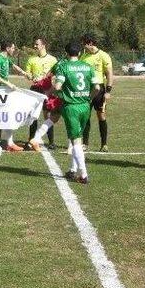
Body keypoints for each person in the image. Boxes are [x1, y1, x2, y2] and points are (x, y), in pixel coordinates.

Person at [54, 42, 99, 184]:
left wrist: (61, 96)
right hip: (85, 106)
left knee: (76, 140)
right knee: (78, 136)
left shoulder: (64, 66)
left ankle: (84, 174)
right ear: (79, 53)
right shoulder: (87, 66)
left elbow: (57, 86)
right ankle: (73, 170)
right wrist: (88, 99)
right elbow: (97, 87)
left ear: (66, 53)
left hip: (71, 107)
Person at [80, 34, 113, 152]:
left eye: (84, 44)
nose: (83, 46)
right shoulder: (83, 57)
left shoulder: (104, 55)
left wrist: (108, 91)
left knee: (101, 116)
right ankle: (85, 143)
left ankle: (104, 144)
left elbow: (109, 74)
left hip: (99, 90)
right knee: (85, 116)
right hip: (86, 90)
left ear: (90, 43)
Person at [0, 41, 24, 152]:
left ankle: (9, 142)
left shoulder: (5, 59)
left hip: (4, 91)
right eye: (13, 48)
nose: (14, 50)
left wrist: (25, 73)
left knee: (8, 115)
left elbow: (14, 66)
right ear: (7, 48)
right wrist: (8, 83)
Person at [25, 38, 58, 149]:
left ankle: (51, 142)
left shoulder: (53, 59)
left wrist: (51, 80)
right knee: (33, 116)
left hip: (47, 90)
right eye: (34, 44)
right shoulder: (31, 59)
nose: (35, 46)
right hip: (35, 89)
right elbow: (28, 73)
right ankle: (30, 140)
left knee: (48, 116)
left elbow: (56, 74)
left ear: (43, 45)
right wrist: (30, 76)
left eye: (37, 44)